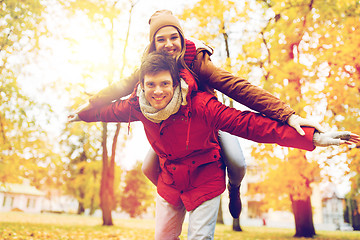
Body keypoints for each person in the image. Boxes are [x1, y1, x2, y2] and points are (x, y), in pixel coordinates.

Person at [69, 51, 359, 240]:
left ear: (176, 81)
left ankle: (235, 190)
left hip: (206, 173)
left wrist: (312, 137)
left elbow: (252, 124)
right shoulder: (137, 105)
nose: (158, 91)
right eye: (151, 85)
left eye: (164, 84)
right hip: (171, 177)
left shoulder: (201, 95)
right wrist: (82, 113)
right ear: (142, 86)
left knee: (236, 164)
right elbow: (106, 111)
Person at [70, 9, 325, 219]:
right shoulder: (149, 67)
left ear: (182, 38)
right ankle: (179, 195)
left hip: (208, 120)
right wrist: (89, 105)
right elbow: (122, 88)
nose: (168, 44)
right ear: (152, 44)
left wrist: (287, 115)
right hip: (169, 131)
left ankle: (233, 188)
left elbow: (237, 87)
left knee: (236, 162)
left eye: (174, 37)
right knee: (149, 168)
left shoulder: (196, 61)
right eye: (161, 39)